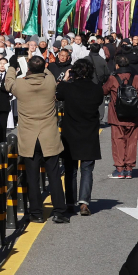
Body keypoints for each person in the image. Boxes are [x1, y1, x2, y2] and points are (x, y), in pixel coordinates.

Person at [5, 56, 69, 223]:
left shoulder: (20, 85)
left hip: (29, 137)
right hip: (49, 135)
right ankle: (60, 211)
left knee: (32, 178)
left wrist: (13, 66)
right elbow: (46, 71)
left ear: (29, 69)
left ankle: (36, 213)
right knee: (54, 175)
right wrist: (38, 64)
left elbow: (8, 82)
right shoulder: (50, 83)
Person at [57, 59, 104, 215]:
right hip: (89, 133)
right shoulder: (97, 89)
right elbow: (98, 102)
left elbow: (58, 93)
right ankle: (84, 202)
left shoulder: (68, 88)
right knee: (87, 169)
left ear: (74, 72)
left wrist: (65, 78)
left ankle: (70, 202)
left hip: (70, 133)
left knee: (70, 170)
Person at [104, 53, 138, 179]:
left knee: (117, 141)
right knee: (132, 142)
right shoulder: (136, 78)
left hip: (117, 115)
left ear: (117, 65)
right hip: (134, 116)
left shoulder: (113, 78)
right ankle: (129, 169)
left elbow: (104, 91)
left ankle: (120, 169)